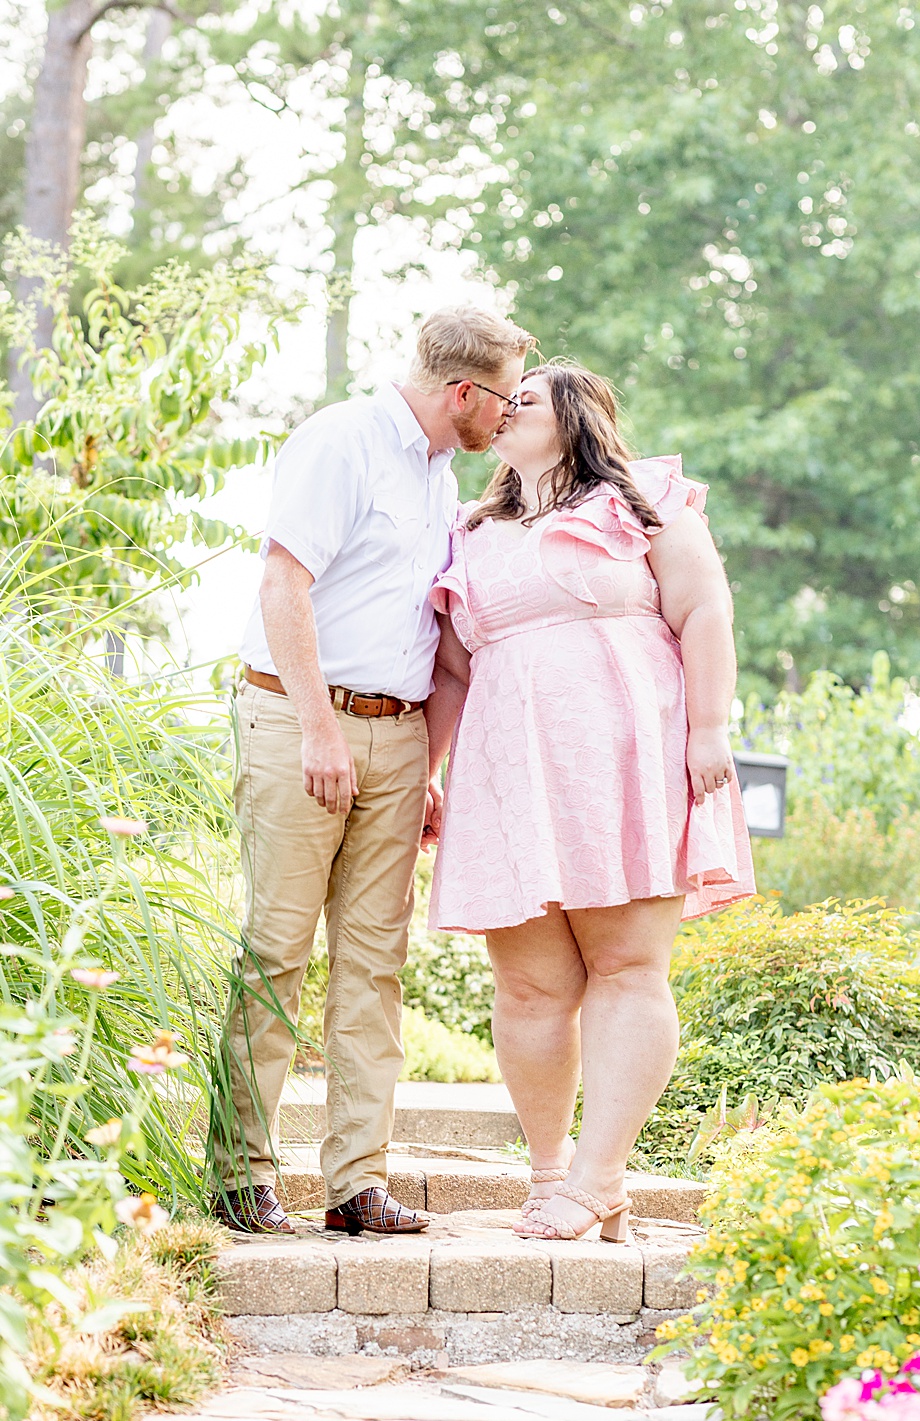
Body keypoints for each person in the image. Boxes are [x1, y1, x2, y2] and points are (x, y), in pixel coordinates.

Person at [216, 307, 534, 1236]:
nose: (509, 419)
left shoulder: (442, 479)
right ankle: (242, 1175)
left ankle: (357, 1183)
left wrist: (422, 762)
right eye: (506, 399)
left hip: (397, 739)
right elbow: (285, 584)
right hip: (297, 718)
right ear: (463, 393)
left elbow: (427, 629)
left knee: (374, 964)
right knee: (276, 949)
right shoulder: (341, 442)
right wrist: (320, 729)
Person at [426, 359, 753, 1243]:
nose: (502, 409)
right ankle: (548, 1174)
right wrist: (429, 767)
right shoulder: (472, 528)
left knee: (624, 966)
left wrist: (709, 728)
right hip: (506, 765)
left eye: (523, 398)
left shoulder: (645, 501)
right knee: (530, 982)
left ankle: (600, 1175)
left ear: (574, 416)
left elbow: (706, 610)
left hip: (623, 753)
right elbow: (452, 666)